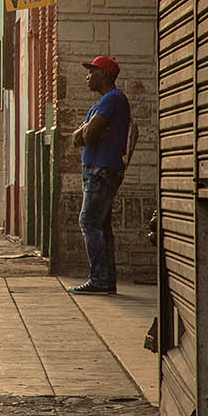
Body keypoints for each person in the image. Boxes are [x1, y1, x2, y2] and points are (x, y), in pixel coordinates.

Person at [70, 55, 132, 295]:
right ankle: (106, 280)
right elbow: (78, 138)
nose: (87, 77)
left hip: (102, 170)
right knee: (102, 225)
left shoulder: (113, 100)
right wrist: (88, 129)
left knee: (89, 221)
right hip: (96, 170)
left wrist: (88, 130)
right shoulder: (98, 106)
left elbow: (88, 136)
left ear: (104, 74)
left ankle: (98, 279)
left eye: (91, 72)